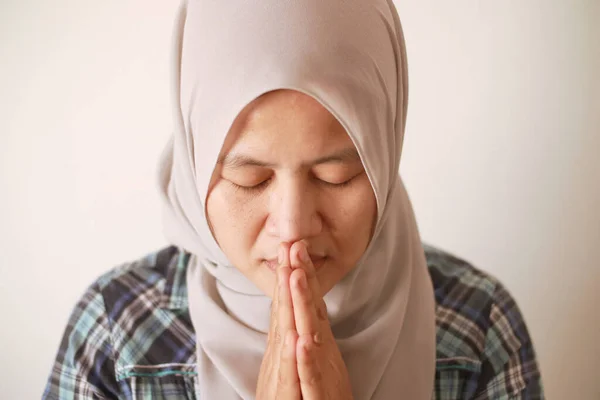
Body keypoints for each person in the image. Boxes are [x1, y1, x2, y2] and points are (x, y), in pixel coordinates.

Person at [43, 0, 544, 398]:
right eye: (251, 179)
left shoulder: (477, 331)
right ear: (194, 172)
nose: (293, 225)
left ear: (384, 159)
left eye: (335, 175)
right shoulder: (118, 336)